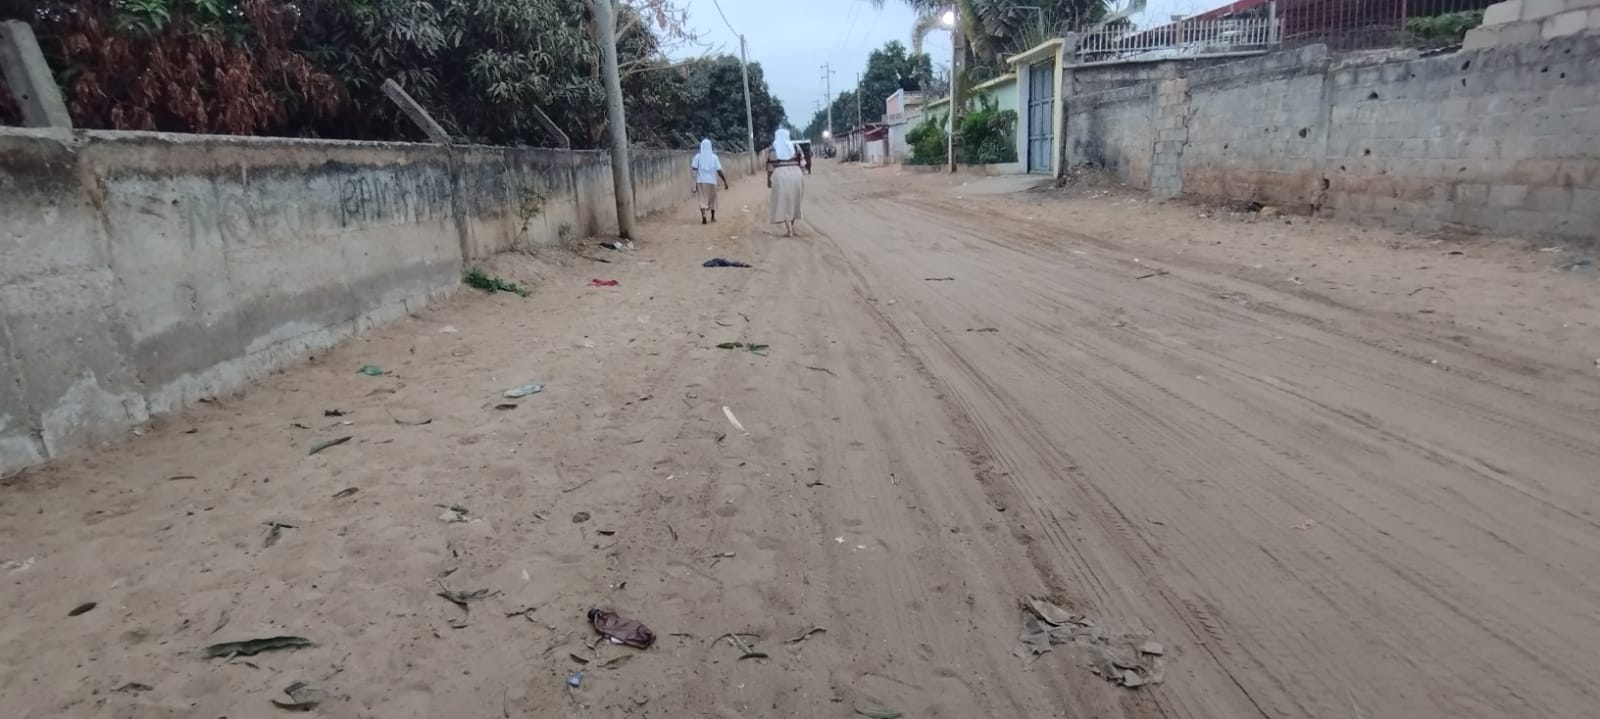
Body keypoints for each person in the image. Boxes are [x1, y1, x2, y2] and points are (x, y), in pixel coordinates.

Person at [765, 129, 805, 237]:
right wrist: (802, 175)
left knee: (784, 201)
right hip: (796, 174)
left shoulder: (773, 148)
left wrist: (768, 180)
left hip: (780, 176)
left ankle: (789, 230)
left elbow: (769, 167)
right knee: (794, 201)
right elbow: (802, 163)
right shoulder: (796, 146)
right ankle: (791, 227)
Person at [691, 138, 729, 224]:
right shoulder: (714, 157)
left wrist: (693, 184)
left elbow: (694, 170)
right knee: (713, 199)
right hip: (712, 181)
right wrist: (725, 181)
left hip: (701, 181)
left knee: (702, 199)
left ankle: (704, 215)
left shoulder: (698, 157)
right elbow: (719, 171)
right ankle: (712, 217)